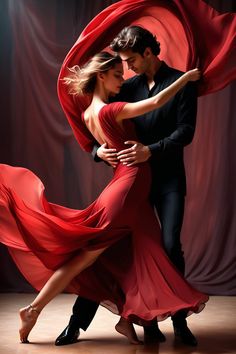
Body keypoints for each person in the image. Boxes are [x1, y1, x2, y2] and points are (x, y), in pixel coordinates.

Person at [0, 51, 207, 345]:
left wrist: (101, 149)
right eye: (117, 75)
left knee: (143, 252)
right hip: (129, 188)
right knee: (88, 256)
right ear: (101, 75)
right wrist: (186, 78)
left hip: (129, 186)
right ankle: (33, 310)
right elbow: (157, 102)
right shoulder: (111, 110)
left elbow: (105, 141)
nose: (123, 80)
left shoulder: (89, 113)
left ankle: (127, 319)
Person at [56, 26, 199, 347]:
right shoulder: (126, 87)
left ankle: (178, 321)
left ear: (148, 53)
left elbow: (186, 131)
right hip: (132, 182)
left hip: (168, 179)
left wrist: (152, 149)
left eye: (131, 59)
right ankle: (77, 323)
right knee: (108, 247)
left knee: (170, 245)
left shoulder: (182, 83)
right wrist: (97, 151)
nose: (127, 67)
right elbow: (100, 120)